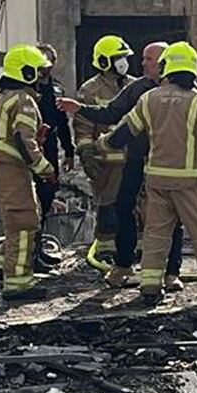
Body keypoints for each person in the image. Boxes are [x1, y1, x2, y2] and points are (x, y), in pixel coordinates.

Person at [107, 41, 197, 304]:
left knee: (156, 234)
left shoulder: (149, 99)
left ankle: (149, 288)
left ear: (166, 67)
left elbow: (124, 132)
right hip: (191, 182)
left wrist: (104, 144)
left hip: (157, 181)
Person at [59, 40, 184, 287]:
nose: (141, 63)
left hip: (166, 162)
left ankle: (171, 272)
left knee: (171, 218)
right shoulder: (136, 89)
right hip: (134, 160)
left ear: (164, 63)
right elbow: (111, 114)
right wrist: (81, 111)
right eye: (144, 58)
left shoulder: (185, 91)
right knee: (123, 209)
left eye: (149, 59)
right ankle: (124, 265)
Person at [0, 45, 57, 301]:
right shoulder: (23, 101)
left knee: (11, 220)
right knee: (25, 223)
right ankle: (18, 283)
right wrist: (44, 167)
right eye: (37, 71)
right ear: (25, 72)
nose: (41, 77)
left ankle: (4, 266)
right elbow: (24, 140)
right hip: (11, 168)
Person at [72, 35, 136, 272]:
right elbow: (83, 126)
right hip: (107, 161)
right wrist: (86, 153)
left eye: (124, 57)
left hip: (134, 159)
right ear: (104, 61)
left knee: (136, 206)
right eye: (118, 58)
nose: (123, 62)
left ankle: (131, 246)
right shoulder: (90, 90)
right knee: (108, 205)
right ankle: (106, 247)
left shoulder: (134, 85)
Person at [30, 45, 73, 272]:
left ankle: (39, 249)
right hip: (30, 148)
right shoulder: (27, 88)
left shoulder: (56, 89)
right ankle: (29, 253)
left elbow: (63, 122)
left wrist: (70, 150)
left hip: (50, 147)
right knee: (29, 203)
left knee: (47, 198)